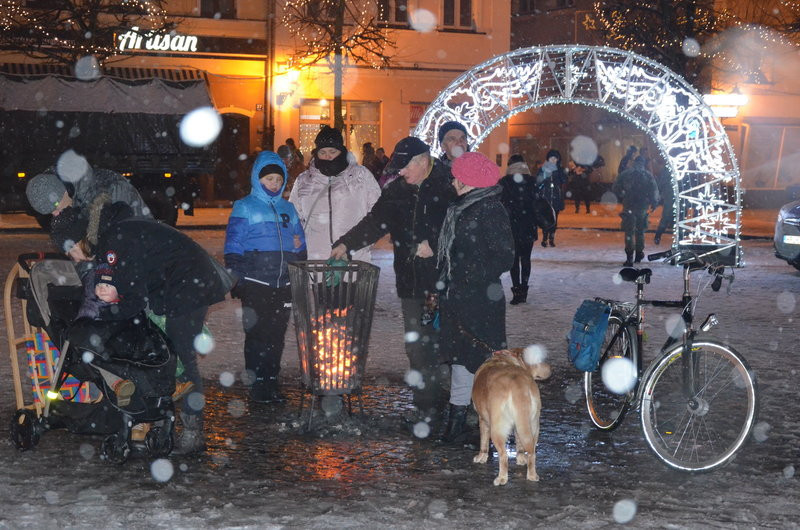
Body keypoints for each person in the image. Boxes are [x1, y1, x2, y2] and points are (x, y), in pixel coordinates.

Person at [66, 194, 231, 454]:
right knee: (174, 358)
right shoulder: (125, 228)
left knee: (182, 360)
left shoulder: (113, 240)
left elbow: (134, 297)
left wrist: (103, 316)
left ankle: (193, 434)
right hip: (192, 281)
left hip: (187, 287)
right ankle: (173, 426)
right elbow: (139, 279)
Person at [330, 136, 456, 432]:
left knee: (451, 348)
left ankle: (461, 407)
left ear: (423, 161)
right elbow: (375, 222)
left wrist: (436, 244)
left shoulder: (449, 185)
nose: (401, 172)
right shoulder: (396, 191)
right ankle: (427, 410)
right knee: (418, 348)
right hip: (412, 284)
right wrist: (346, 244)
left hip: (448, 282)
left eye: (405, 167)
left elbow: (463, 227)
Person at [437, 152, 514, 445]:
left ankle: (493, 427)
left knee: (485, 364)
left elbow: (504, 256)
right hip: (459, 298)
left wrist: (469, 275)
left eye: (456, 177)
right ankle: (455, 424)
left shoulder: (489, 209)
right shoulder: (461, 208)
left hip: (481, 300)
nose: (452, 182)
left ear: (469, 181)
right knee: (461, 359)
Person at [225, 151, 307, 404]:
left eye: (278, 179)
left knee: (276, 335)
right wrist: (236, 277)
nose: (274, 183)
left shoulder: (288, 208)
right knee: (257, 335)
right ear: (257, 179)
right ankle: (257, 382)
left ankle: (271, 380)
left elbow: (300, 243)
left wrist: (299, 263)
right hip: (256, 283)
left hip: (283, 283)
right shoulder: (245, 206)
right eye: (269, 179)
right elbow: (234, 244)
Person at [290, 126, 380, 262]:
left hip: (353, 260)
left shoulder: (361, 176)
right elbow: (294, 217)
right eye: (323, 152)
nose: (328, 156)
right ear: (316, 153)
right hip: (316, 261)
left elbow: (378, 213)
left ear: (341, 151)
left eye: (332, 152)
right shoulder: (304, 181)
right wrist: (298, 240)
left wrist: (364, 244)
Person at [25, 149, 151, 219]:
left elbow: (132, 241)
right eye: (50, 213)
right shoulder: (71, 203)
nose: (56, 214)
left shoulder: (112, 189)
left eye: (56, 206)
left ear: (66, 189)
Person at [499, 154, 538, 305]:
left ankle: (516, 292)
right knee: (526, 259)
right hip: (528, 225)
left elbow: (500, 203)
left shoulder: (504, 182)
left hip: (511, 226)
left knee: (514, 261)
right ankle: (524, 290)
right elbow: (537, 202)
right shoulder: (532, 181)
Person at [613, 156, 660, 266]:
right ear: (643, 163)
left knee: (629, 231)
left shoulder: (626, 173)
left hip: (629, 205)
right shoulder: (647, 175)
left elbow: (616, 187)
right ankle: (639, 253)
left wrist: (622, 195)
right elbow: (654, 190)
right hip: (642, 205)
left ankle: (629, 257)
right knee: (640, 231)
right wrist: (654, 202)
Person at [536, 149, 567, 247]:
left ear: (558, 159)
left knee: (554, 220)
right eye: (551, 158)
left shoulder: (560, 169)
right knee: (546, 219)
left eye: (555, 158)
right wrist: (544, 177)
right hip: (546, 197)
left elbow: (564, 180)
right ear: (548, 159)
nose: (553, 160)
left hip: (556, 197)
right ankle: (544, 238)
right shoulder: (543, 169)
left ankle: (551, 239)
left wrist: (561, 173)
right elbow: (538, 182)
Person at [654, 164, 674, 245]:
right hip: (671, 194)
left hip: (669, 194)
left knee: (667, 215)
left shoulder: (667, 169)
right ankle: (658, 235)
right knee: (668, 215)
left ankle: (658, 235)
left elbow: (661, 183)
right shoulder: (669, 169)